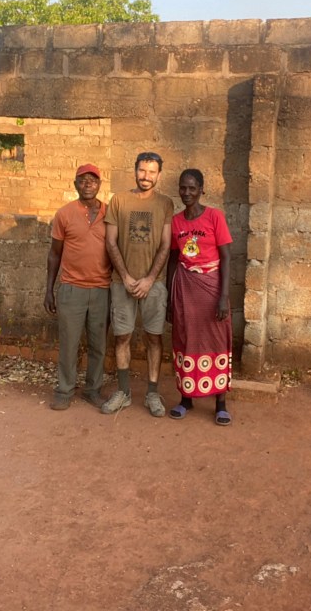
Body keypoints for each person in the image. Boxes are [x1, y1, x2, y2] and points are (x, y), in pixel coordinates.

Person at [102, 151, 175, 417]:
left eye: (152, 172)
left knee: (154, 337)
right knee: (122, 336)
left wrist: (148, 279)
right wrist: (127, 277)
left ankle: (153, 393)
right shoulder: (119, 201)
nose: (146, 176)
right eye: (142, 170)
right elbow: (110, 242)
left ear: (159, 174)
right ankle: (123, 392)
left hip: (153, 285)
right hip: (122, 283)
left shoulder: (165, 203)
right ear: (135, 170)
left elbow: (166, 245)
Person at [166, 169, 234, 426]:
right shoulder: (176, 222)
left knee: (217, 340)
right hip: (185, 288)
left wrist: (223, 296)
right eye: (183, 188)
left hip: (212, 287)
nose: (187, 193)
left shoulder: (215, 217)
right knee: (185, 339)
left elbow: (226, 257)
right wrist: (169, 297)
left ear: (202, 189)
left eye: (192, 188)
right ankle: (186, 399)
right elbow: (173, 260)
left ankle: (220, 404)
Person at [43, 164, 112, 410]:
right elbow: (54, 254)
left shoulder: (110, 213)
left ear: (99, 185)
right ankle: (64, 390)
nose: (87, 185)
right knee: (69, 343)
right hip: (71, 288)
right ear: (75, 185)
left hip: (102, 289)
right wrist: (49, 289)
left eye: (92, 181)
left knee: (98, 345)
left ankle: (92, 390)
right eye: (82, 181)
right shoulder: (64, 214)